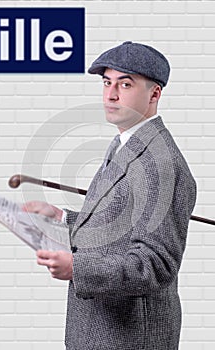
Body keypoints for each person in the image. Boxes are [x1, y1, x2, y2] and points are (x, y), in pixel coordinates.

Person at [23, 41, 197, 350]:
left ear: (154, 94)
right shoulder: (125, 143)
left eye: (125, 84)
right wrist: (63, 219)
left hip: (128, 338)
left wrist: (78, 268)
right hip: (99, 330)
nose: (111, 94)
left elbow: (155, 264)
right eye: (107, 82)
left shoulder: (160, 163)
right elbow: (119, 222)